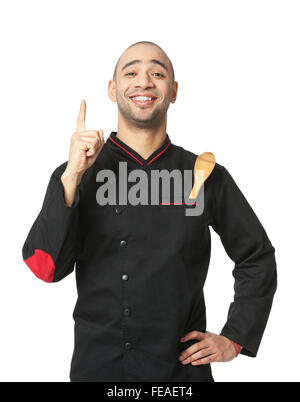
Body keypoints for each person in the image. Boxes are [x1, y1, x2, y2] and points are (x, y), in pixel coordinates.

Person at [22, 41, 277, 382]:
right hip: (99, 370)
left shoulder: (201, 174)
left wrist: (235, 338)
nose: (143, 81)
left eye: (157, 73)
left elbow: (256, 255)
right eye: (131, 73)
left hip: (180, 376)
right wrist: (71, 176)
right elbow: (45, 267)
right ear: (113, 90)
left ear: (173, 91)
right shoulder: (79, 172)